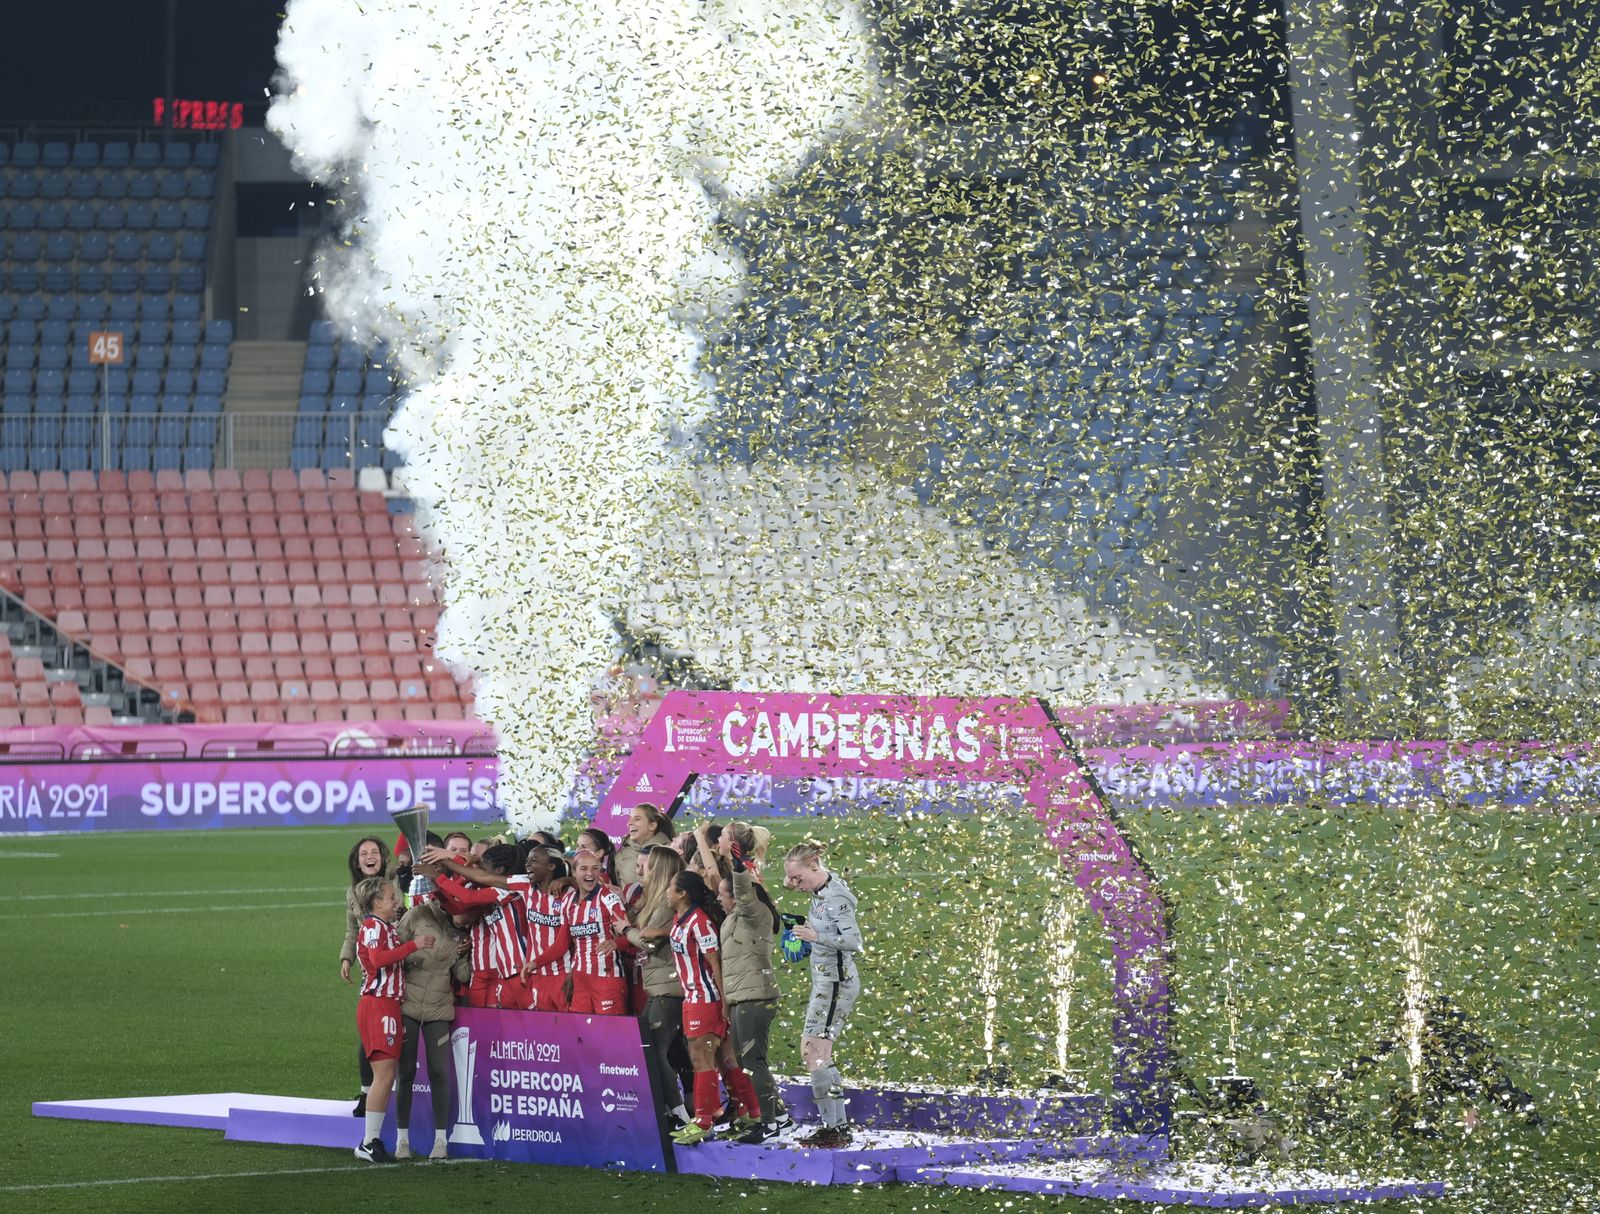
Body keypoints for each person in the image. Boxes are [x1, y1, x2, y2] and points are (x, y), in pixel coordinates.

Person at [659, 870, 761, 1145]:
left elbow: (715, 965)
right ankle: (750, 1113)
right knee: (725, 1059)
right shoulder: (680, 920)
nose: (666, 890)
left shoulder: (700, 923)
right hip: (693, 998)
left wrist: (723, 1004)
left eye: (670, 885)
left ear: (682, 893)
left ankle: (704, 1121)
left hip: (706, 999)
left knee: (701, 1059)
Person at [710, 824, 787, 1143]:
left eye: (722, 894)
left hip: (756, 997)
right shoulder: (736, 919)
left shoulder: (753, 913)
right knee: (747, 1061)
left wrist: (739, 865)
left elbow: (742, 890)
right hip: (745, 996)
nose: (719, 897)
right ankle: (779, 1117)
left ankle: (767, 1124)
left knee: (753, 1062)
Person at [783, 841, 862, 1147]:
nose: (791, 884)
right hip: (825, 980)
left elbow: (854, 941)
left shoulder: (836, 896)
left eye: (797, 878)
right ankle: (835, 1127)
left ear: (814, 865)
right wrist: (804, 935)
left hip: (835, 983)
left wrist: (816, 936)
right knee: (816, 1053)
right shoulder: (820, 892)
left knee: (813, 1051)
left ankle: (836, 1128)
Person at [353, 875, 435, 1163]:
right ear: (377, 903)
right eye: (390, 898)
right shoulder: (374, 926)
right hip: (377, 1005)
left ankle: (370, 1140)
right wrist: (415, 945)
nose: (396, 901)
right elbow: (377, 960)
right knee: (384, 1076)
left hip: (386, 1005)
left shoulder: (383, 926)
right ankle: (367, 1142)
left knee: (387, 1076)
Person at [393, 867, 469, 1161]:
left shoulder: (460, 929)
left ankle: (441, 1141)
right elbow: (394, 951)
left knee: (440, 1072)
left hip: (439, 1007)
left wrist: (464, 954)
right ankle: (402, 1140)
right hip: (408, 1005)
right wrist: (413, 949)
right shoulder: (417, 914)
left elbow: (462, 975)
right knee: (407, 1072)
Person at [624, 845, 693, 1129]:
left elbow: (651, 943)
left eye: (647, 865)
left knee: (652, 1049)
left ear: (659, 869)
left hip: (669, 987)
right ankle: (689, 1108)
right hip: (661, 985)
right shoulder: (658, 899)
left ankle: (679, 1115)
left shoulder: (666, 903)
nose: (640, 869)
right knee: (675, 1052)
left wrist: (626, 931)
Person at [430, 844, 534, 1009]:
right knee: (503, 1028)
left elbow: (469, 896)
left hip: (521, 969)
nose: (477, 871)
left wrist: (439, 873)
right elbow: (460, 910)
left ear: (498, 870)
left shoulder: (507, 890)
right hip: (504, 971)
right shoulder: (490, 891)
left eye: (482, 868)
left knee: (532, 1027)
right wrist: (436, 888)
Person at [341, 835, 390, 1117]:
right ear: (357, 861)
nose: (369, 857)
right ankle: (366, 1093)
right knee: (369, 1035)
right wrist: (347, 957)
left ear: (383, 858)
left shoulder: (395, 884)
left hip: (400, 965)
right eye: (363, 853)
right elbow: (352, 930)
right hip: (371, 970)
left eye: (374, 852)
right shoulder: (352, 892)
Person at [566, 851, 633, 1014]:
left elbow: (631, 937)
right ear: (574, 872)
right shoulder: (568, 902)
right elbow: (567, 943)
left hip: (607, 980)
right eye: (584, 868)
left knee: (609, 1035)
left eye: (595, 868)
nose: (590, 873)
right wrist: (571, 972)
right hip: (580, 981)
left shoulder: (609, 899)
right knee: (581, 1035)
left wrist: (615, 943)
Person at [615, 804, 674, 887]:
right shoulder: (621, 855)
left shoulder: (671, 852)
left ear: (652, 825)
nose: (630, 823)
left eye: (637, 819)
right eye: (630, 819)